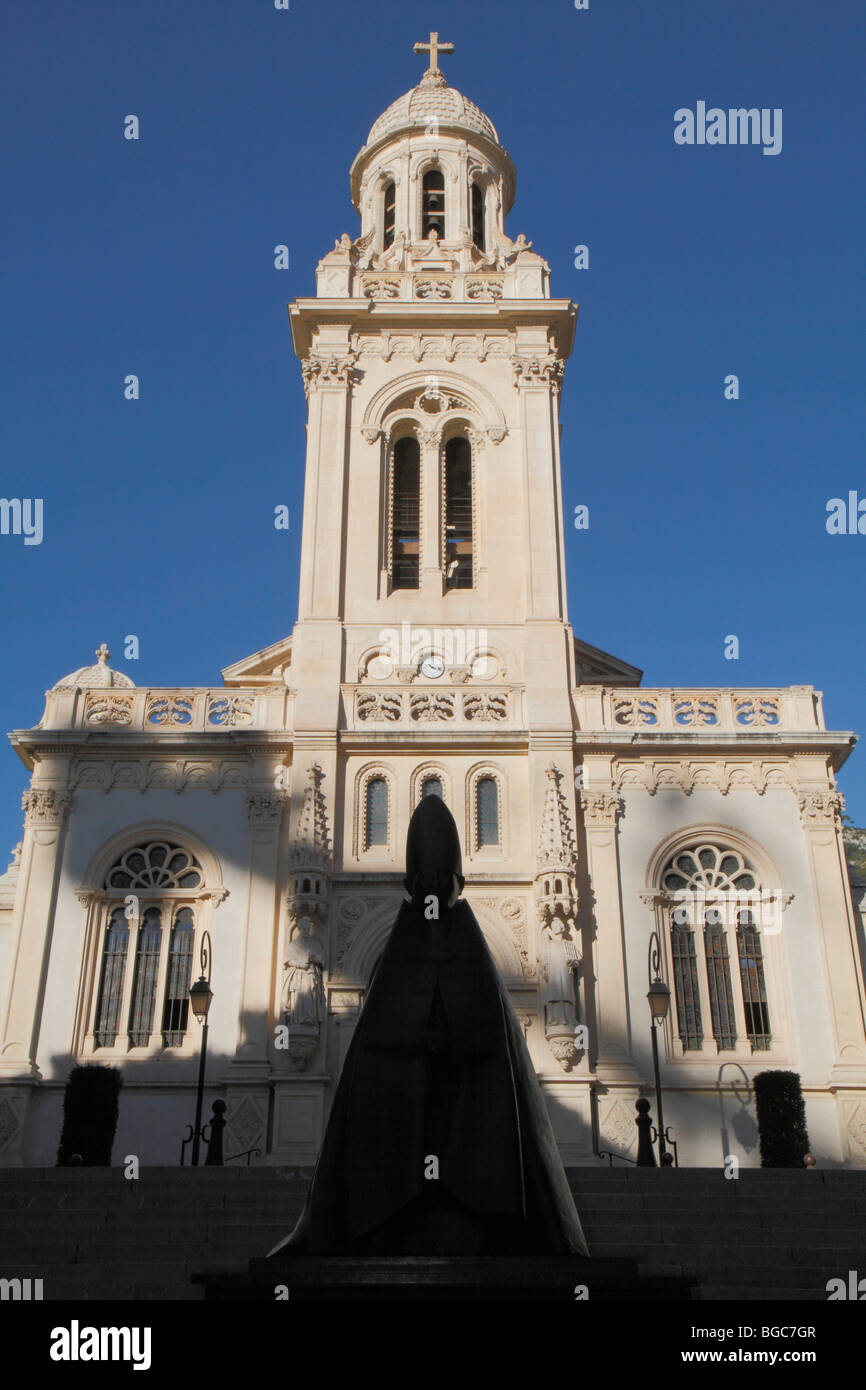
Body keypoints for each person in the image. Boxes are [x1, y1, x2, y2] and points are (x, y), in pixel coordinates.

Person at [269, 797, 587, 1257]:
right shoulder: (404, 945)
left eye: (443, 879)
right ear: (412, 882)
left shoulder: (467, 945)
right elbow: (377, 1046)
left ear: (458, 880)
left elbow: (490, 1044)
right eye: (427, 880)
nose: (435, 890)